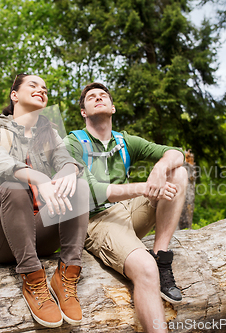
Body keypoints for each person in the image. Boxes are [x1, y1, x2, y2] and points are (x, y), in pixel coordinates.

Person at [0, 74, 89, 328]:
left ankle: (66, 277)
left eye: (44, 88)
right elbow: (1, 165)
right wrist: (38, 178)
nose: (41, 90)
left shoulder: (50, 133)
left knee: (78, 183)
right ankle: (33, 279)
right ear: (15, 95)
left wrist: (68, 168)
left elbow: (66, 159)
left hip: (40, 235)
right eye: (33, 85)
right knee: (14, 184)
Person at [65, 82, 188, 332]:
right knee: (145, 268)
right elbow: (93, 192)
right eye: (91, 97)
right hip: (96, 220)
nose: (98, 98)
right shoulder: (73, 143)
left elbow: (176, 153)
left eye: (103, 96)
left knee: (178, 172)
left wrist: (160, 168)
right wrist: (144, 187)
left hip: (129, 211)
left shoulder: (123, 141)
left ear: (112, 108)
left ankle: (162, 257)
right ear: (83, 112)